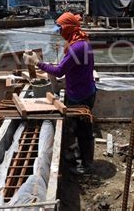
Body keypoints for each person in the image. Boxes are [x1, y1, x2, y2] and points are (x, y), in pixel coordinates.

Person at [23, 12, 96, 174]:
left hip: (80, 95)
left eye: (61, 29)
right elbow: (67, 65)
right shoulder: (80, 41)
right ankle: (81, 159)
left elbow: (59, 71)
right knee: (81, 127)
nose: (60, 33)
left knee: (80, 129)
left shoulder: (76, 47)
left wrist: (37, 62)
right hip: (85, 89)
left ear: (68, 28)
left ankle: (84, 165)